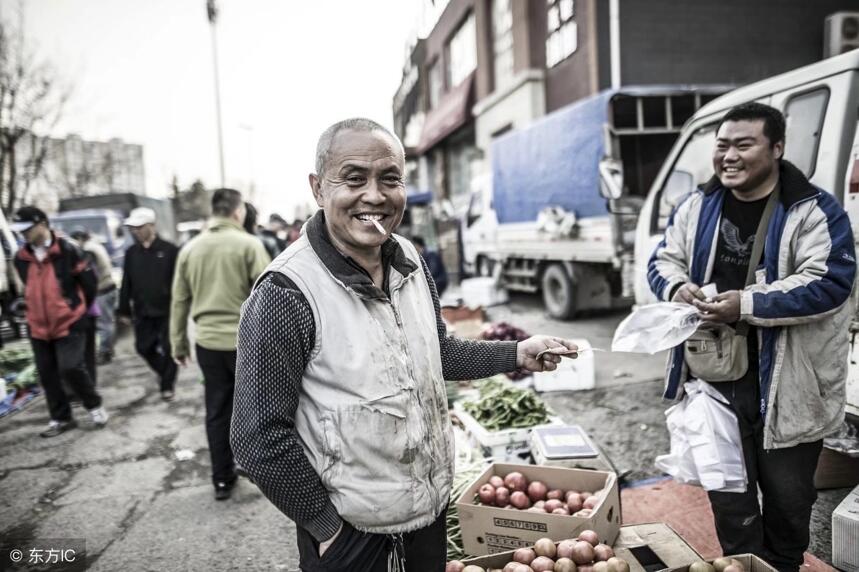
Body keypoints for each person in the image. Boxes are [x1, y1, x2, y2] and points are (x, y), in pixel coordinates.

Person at [231, 118, 578, 571]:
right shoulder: (287, 292)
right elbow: (256, 437)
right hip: (351, 535)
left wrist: (516, 353)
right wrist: (326, 527)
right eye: (354, 178)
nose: (374, 195)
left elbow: (438, 352)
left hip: (426, 515)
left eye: (389, 179)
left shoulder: (409, 260)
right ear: (318, 188)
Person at [647, 102, 856, 571]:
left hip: (791, 383)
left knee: (788, 498)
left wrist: (746, 303)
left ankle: (782, 564)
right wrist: (678, 288)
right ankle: (742, 564)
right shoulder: (697, 206)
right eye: (722, 145)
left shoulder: (814, 210)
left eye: (744, 144)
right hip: (713, 378)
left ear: (777, 148)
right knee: (729, 496)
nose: (729, 156)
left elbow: (829, 282)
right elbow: (662, 261)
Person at [170, 188, 270, 501]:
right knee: (255, 409)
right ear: (238, 212)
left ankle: (222, 479)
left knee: (217, 410)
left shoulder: (190, 249)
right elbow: (269, 294)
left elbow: (179, 300)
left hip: (208, 344)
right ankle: (259, 470)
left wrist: (178, 344)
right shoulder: (250, 245)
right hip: (246, 342)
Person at [11, 206, 109, 437]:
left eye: (27, 229)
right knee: (47, 373)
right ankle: (61, 418)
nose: (23, 234)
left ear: (43, 224)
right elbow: (28, 286)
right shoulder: (21, 258)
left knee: (71, 367)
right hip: (38, 325)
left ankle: (94, 405)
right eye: (20, 230)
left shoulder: (69, 250)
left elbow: (89, 284)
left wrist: (75, 308)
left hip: (69, 321)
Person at [117, 207, 180, 401]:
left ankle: (167, 385)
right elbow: (126, 282)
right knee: (143, 347)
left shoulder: (170, 250)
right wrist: (124, 309)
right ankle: (165, 373)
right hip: (143, 310)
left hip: (167, 309)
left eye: (139, 227)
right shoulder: (131, 253)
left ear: (152, 226)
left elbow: (179, 282)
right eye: (132, 228)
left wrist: (181, 307)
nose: (135, 231)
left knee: (170, 348)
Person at [70, 227, 117, 367]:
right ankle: (108, 350)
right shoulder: (96, 245)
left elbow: (90, 272)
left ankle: (105, 352)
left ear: (79, 238)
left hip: (103, 289)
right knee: (108, 322)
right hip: (109, 286)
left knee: (104, 324)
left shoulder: (89, 250)